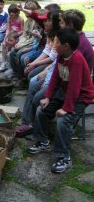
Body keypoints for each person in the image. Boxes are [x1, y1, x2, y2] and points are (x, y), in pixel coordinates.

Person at [17, 9, 94, 139]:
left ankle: (36, 128)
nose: (60, 25)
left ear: (71, 25)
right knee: (35, 84)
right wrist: (46, 75)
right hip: (63, 81)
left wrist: (48, 85)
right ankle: (30, 124)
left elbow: (74, 83)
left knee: (37, 95)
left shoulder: (76, 46)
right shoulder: (68, 40)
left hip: (71, 86)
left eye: (62, 23)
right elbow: (58, 68)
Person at [27, 28, 94, 173]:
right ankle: (43, 141)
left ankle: (64, 156)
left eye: (57, 42)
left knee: (64, 120)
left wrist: (67, 108)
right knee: (41, 110)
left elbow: (75, 88)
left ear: (67, 46)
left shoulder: (76, 60)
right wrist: (48, 97)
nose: (54, 44)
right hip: (65, 92)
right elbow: (56, 79)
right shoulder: (61, 56)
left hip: (81, 97)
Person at [0, 4, 24, 71]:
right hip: (10, 35)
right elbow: (8, 29)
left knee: (12, 47)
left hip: (17, 37)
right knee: (4, 44)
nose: (11, 14)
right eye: (10, 12)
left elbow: (22, 31)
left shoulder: (20, 19)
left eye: (13, 12)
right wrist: (6, 37)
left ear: (17, 12)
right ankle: (4, 62)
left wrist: (15, 35)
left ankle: (10, 63)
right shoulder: (9, 18)